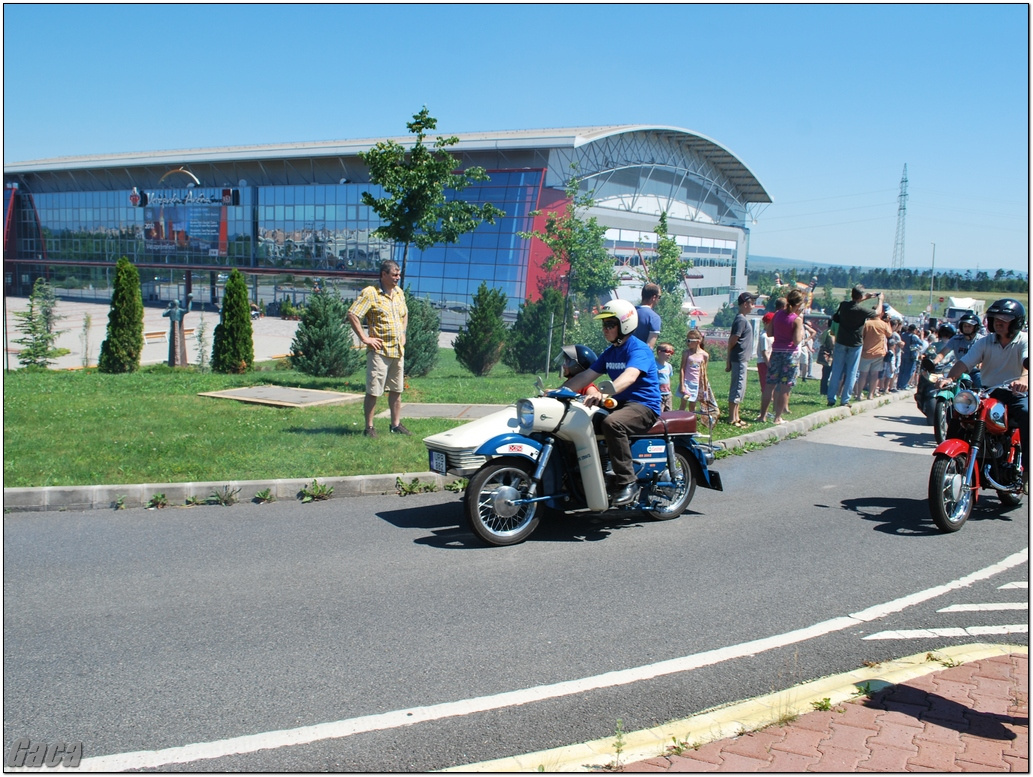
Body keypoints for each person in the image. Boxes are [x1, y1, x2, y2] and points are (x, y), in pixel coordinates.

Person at [562, 299, 662, 506]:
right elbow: (586, 376)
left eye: (610, 325)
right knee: (573, 420)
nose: (605, 330)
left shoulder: (639, 350)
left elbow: (630, 376)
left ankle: (628, 482)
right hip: (619, 403)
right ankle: (578, 477)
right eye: (603, 325)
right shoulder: (610, 352)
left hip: (643, 405)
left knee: (612, 424)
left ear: (624, 325)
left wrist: (605, 394)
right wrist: (559, 391)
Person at [940, 298, 1028, 493]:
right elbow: (965, 362)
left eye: (1005, 318)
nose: (999, 321)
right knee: (960, 410)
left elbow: (1027, 362)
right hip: (989, 391)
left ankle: (1028, 471)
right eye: (995, 317)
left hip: (1016, 392)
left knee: (1026, 412)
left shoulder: (1024, 340)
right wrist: (949, 378)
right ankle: (950, 461)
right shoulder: (985, 341)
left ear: (1016, 322)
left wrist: (1024, 380)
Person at [347, 259, 409, 438]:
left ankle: (395, 425)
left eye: (399, 274)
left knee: (397, 390)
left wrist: (403, 332)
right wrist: (365, 338)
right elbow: (353, 314)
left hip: (397, 350)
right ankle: (369, 427)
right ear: (383, 274)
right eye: (394, 274)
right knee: (374, 390)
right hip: (379, 352)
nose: (397, 277)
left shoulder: (398, 293)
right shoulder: (370, 293)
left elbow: (405, 314)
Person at [827, 285, 884, 408]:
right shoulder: (861, 311)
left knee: (836, 370)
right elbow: (878, 312)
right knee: (851, 372)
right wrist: (880, 300)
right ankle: (845, 399)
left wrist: (864, 297)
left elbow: (852, 303)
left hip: (841, 341)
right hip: (855, 343)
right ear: (860, 296)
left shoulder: (843, 305)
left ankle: (831, 398)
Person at [767, 289, 815, 425]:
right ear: (798, 304)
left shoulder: (777, 315)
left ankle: (763, 414)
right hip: (789, 354)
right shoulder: (796, 319)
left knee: (770, 385)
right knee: (785, 386)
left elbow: (769, 332)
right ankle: (778, 417)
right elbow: (797, 340)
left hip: (776, 351)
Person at [726, 291, 758, 428]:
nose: (753, 305)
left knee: (741, 388)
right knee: (737, 387)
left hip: (743, 359)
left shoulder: (743, 319)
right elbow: (733, 339)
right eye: (752, 303)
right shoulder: (740, 320)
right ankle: (732, 418)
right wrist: (729, 358)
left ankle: (736, 416)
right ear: (745, 304)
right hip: (739, 358)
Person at [857, 313, 893, 400]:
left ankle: (859, 395)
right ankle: (870, 394)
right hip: (879, 353)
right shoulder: (883, 324)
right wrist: (888, 322)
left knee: (863, 375)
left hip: (866, 352)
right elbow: (889, 334)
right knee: (874, 375)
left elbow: (861, 335)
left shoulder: (867, 323)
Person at [678, 329, 709, 412]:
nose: (687, 343)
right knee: (683, 403)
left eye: (689, 341)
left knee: (693, 404)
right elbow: (682, 369)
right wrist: (682, 385)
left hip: (697, 383)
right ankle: (679, 419)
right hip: (687, 382)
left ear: (698, 341)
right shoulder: (686, 353)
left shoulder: (704, 355)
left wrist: (704, 385)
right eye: (687, 340)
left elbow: (704, 371)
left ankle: (691, 420)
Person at [754, 310, 775, 422]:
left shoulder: (770, 335)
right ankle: (764, 412)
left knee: (771, 387)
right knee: (766, 387)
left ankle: (768, 411)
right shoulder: (764, 336)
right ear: (767, 323)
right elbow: (764, 352)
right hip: (764, 363)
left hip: (769, 363)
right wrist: (769, 365)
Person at [633, 283, 662, 347]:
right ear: (654, 297)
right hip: (640, 355)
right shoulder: (654, 318)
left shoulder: (629, 312)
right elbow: (649, 346)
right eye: (659, 297)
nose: (659, 300)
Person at [655, 342, 675, 412]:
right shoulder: (654, 365)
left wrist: (670, 391)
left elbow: (668, 378)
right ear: (659, 352)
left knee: (669, 412)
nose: (669, 354)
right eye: (667, 351)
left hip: (667, 394)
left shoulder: (669, 366)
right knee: (659, 412)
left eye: (671, 352)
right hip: (658, 394)